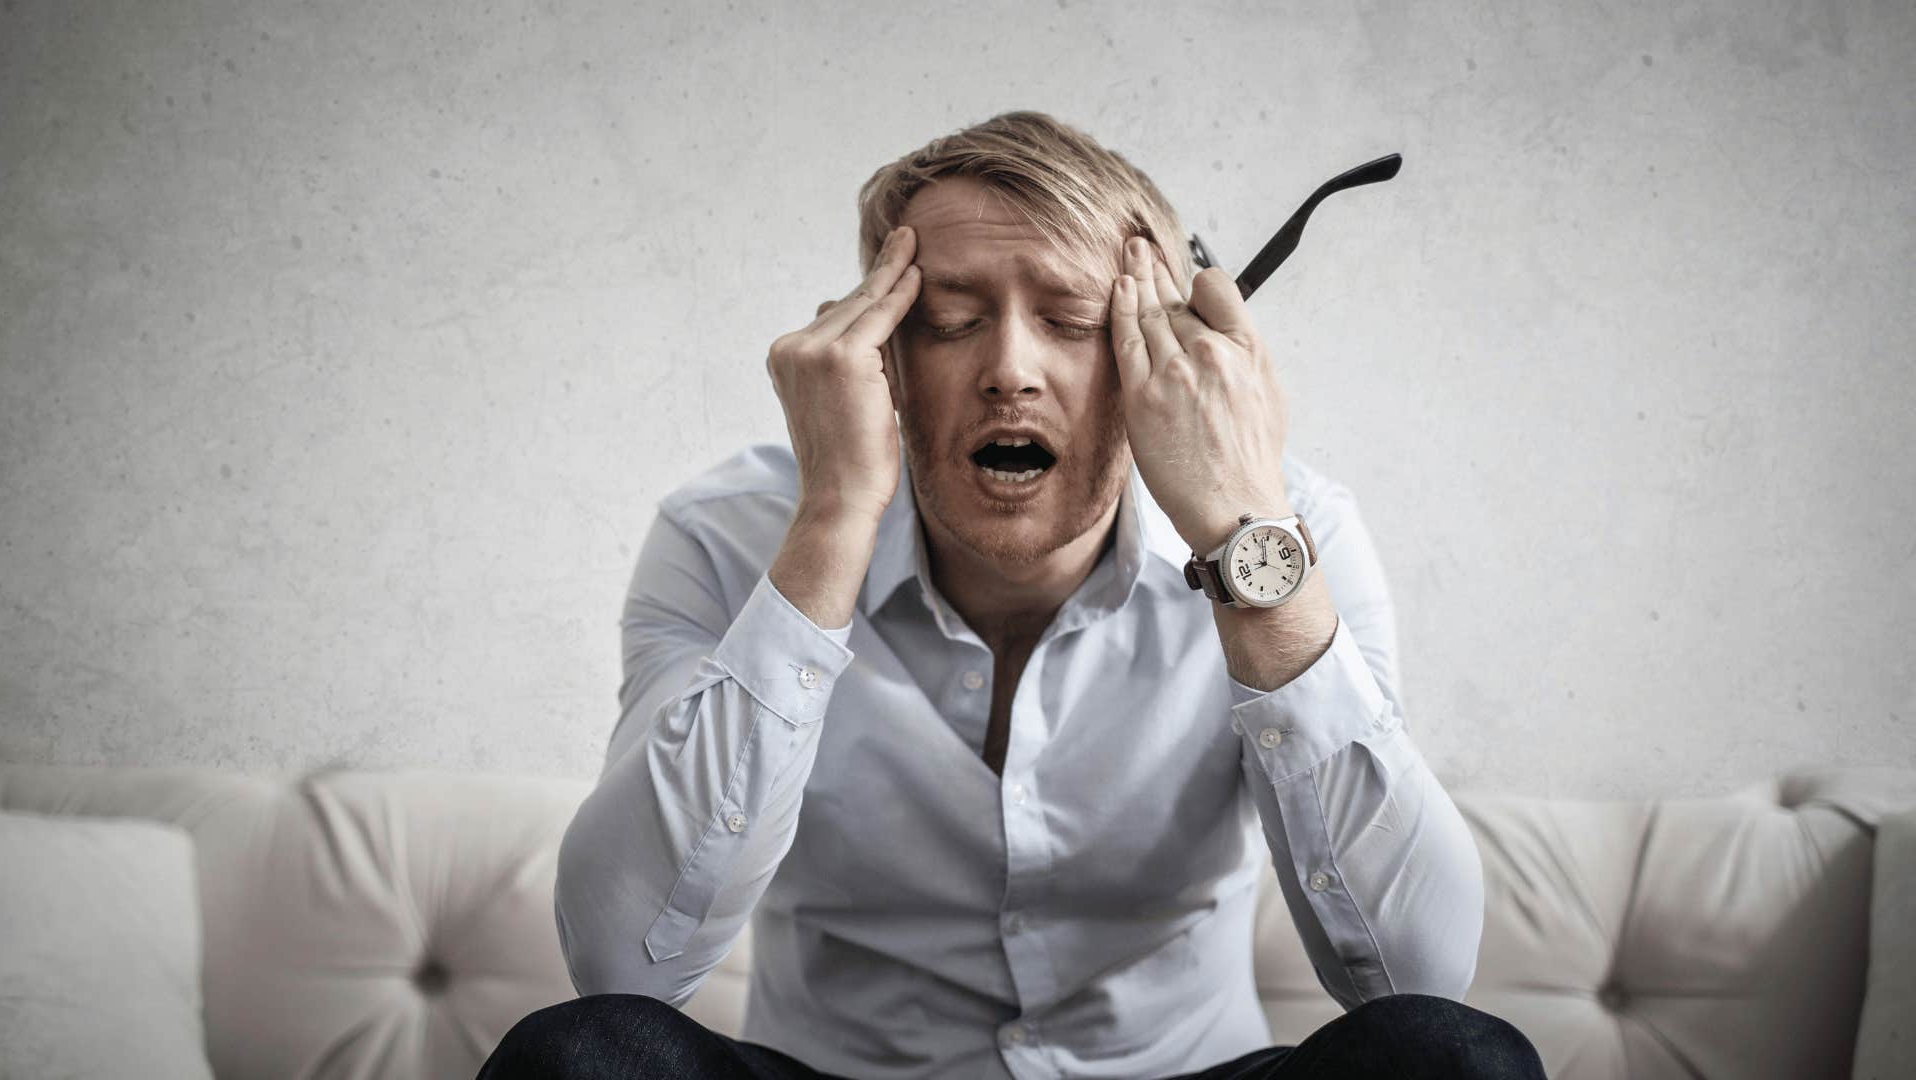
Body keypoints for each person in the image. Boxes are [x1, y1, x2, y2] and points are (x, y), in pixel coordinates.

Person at [480, 111, 1545, 1079]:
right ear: (878, 355)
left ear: (1166, 360)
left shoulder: (1293, 531)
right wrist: (833, 520)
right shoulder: (725, 535)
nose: (1010, 371)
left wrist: (1243, 536)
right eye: (946, 320)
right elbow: (624, 967)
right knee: (579, 1061)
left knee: (1452, 1063)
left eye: (1076, 319)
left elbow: (1416, 981)